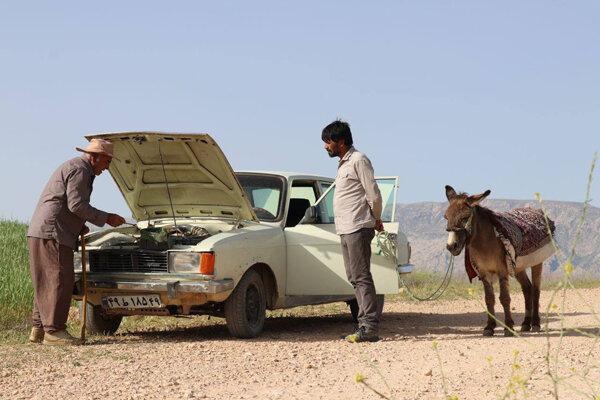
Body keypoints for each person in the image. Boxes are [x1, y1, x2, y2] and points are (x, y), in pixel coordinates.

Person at [27, 139, 126, 345]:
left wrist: (78, 225)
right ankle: (54, 331)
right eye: (107, 162)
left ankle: (39, 329)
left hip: (42, 230)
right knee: (60, 279)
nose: (107, 168)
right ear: (95, 157)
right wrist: (107, 218)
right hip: (54, 232)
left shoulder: (75, 167)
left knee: (45, 280)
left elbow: (67, 204)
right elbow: (77, 204)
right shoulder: (80, 170)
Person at [322, 120, 384, 343]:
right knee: (354, 276)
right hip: (346, 227)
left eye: (328, 142)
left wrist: (376, 218)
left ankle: (369, 326)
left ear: (340, 142)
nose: (325, 147)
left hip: (358, 226)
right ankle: (364, 325)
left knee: (361, 276)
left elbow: (373, 194)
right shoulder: (343, 164)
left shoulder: (359, 160)